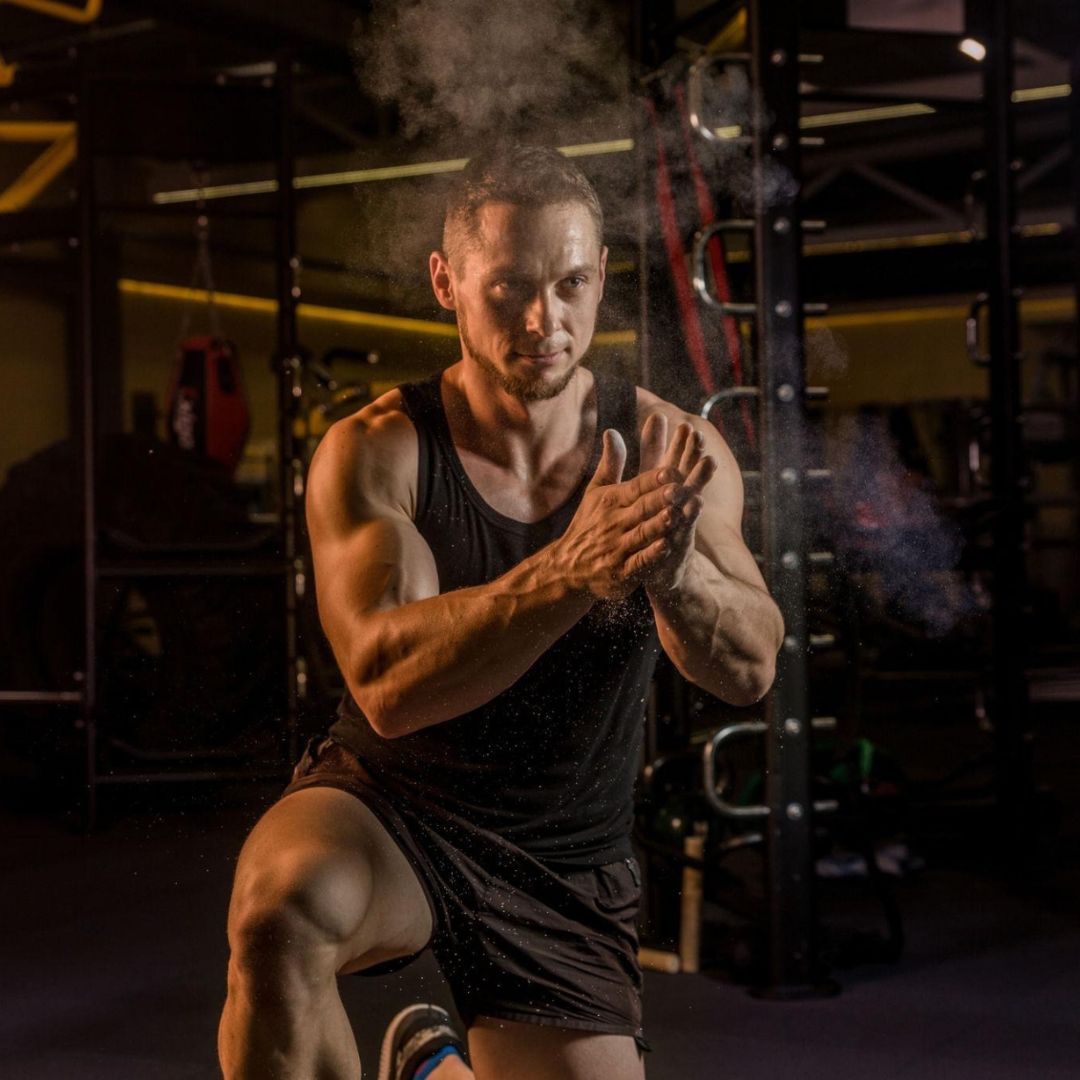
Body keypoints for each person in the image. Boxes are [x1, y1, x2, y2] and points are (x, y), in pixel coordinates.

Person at [218, 143, 784, 1080]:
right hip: (394, 811)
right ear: (446, 282)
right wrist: (573, 568)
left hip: (567, 860)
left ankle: (434, 1073)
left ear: (602, 276)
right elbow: (389, 685)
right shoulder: (378, 451)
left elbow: (752, 668)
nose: (543, 321)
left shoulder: (670, 447)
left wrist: (673, 575)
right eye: (509, 288)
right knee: (280, 912)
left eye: (569, 284)